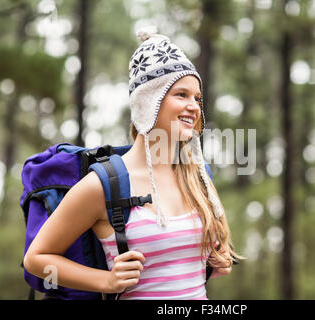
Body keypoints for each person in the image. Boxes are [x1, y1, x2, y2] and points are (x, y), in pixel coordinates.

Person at [23, 26, 241, 300]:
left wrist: (215, 262)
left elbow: (191, 265)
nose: (195, 106)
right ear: (149, 101)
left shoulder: (198, 175)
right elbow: (37, 258)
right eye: (181, 95)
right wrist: (106, 280)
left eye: (197, 98)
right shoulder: (104, 183)